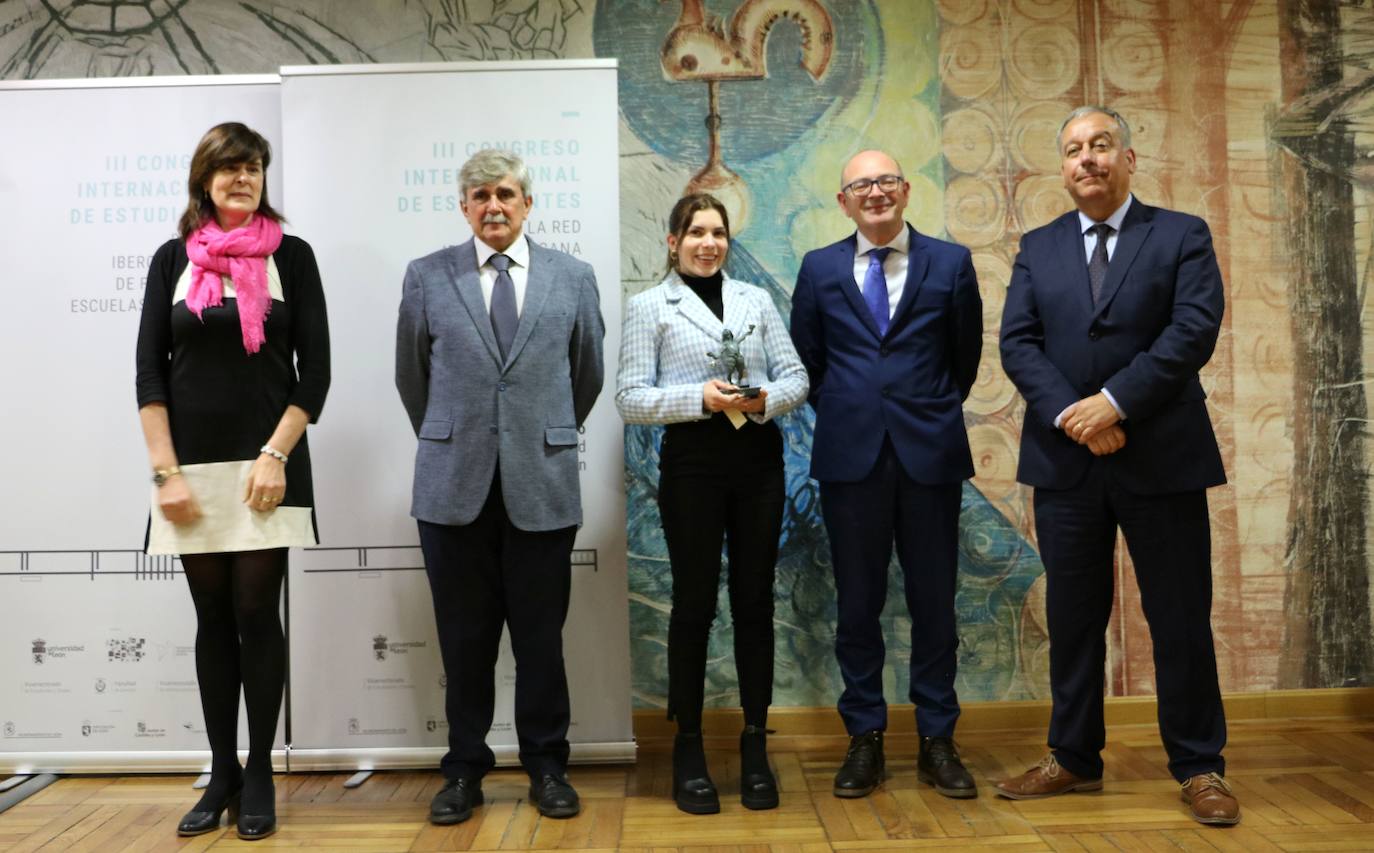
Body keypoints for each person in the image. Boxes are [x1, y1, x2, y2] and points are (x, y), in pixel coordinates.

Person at [996, 106, 1238, 826]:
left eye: (1101, 145)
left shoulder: (1181, 235)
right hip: (1067, 460)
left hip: (1161, 456)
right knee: (1073, 618)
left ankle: (1200, 765)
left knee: (1179, 616)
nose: (1087, 159)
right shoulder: (1038, 248)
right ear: (1062, 167)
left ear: (1128, 158)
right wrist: (1079, 415)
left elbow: (1194, 327)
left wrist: (1115, 403)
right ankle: (1071, 756)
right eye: (1073, 149)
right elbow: (1018, 344)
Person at [395, 148, 604, 825]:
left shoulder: (573, 277)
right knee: (464, 640)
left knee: (541, 638)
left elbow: (587, 376)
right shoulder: (428, 276)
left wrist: (535, 435)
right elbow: (412, 380)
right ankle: (463, 770)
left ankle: (547, 765)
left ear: (527, 203)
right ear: (463, 206)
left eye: (506, 193)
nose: (494, 205)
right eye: (479, 194)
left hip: (541, 485)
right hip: (452, 489)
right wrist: (462, 438)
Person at [135, 122, 330, 841]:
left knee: (256, 616)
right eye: (228, 168)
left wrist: (275, 455)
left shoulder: (295, 258)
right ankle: (220, 771)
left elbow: (318, 374)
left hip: (266, 472)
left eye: (252, 167)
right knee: (212, 620)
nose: (242, 178)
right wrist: (165, 473)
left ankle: (258, 773)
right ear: (204, 180)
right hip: (190, 476)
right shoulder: (170, 262)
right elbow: (150, 375)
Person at [789, 150, 983, 800]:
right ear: (844, 201)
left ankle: (937, 739)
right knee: (857, 604)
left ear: (905, 190)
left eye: (884, 181)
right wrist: (855, 409)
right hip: (852, 459)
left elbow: (965, 358)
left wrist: (920, 408)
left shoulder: (950, 263)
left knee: (934, 603)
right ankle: (864, 737)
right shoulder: (818, 269)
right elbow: (808, 362)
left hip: (931, 456)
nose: (874, 192)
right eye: (859, 185)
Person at [616, 193, 809, 814]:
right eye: (695, 232)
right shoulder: (649, 306)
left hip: (758, 463)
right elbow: (629, 398)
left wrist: (761, 400)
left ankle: (756, 740)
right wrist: (698, 397)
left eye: (718, 233)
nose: (709, 243)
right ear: (672, 242)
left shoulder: (755, 299)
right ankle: (689, 745)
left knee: (754, 600)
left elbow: (797, 378)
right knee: (694, 603)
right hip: (693, 465)